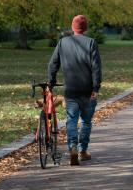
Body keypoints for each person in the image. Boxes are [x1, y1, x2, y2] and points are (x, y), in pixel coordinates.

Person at [48, 15, 102, 166]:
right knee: (86, 121)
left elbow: (53, 64)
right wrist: (96, 87)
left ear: (73, 27)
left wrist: (51, 81)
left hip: (70, 89)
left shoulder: (63, 42)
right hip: (87, 89)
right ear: (85, 28)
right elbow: (96, 68)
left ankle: (72, 147)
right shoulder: (91, 42)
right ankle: (82, 151)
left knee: (71, 119)